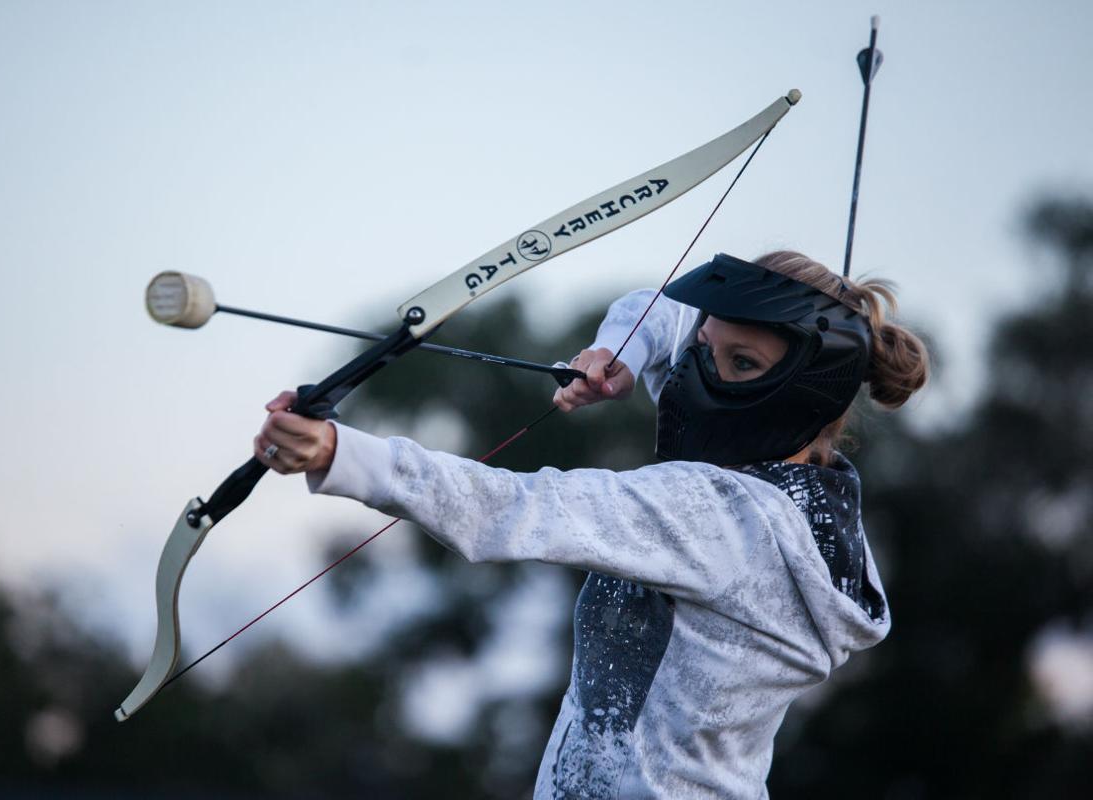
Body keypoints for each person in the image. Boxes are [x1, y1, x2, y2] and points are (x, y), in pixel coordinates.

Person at [253, 250, 930, 798]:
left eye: (740, 363)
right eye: (705, 347)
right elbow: (663, 311)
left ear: (803, 391)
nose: (697, 373)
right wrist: (621, 354)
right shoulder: (815, 509)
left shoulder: (719, 517)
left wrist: (341, 453)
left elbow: (515, 509)